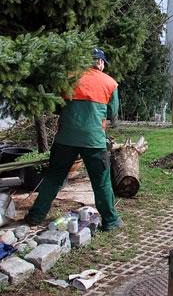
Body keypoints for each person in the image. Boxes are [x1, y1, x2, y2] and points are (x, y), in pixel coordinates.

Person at [25, 48, 123, 232]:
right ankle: (110, 221)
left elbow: (56, 107)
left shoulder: (68, 79)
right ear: (100, 63)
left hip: (66, 138)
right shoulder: (110, 83)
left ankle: (35, 216)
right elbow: (112, 112)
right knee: (101, 182)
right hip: (94, 140)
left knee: (54, 177)